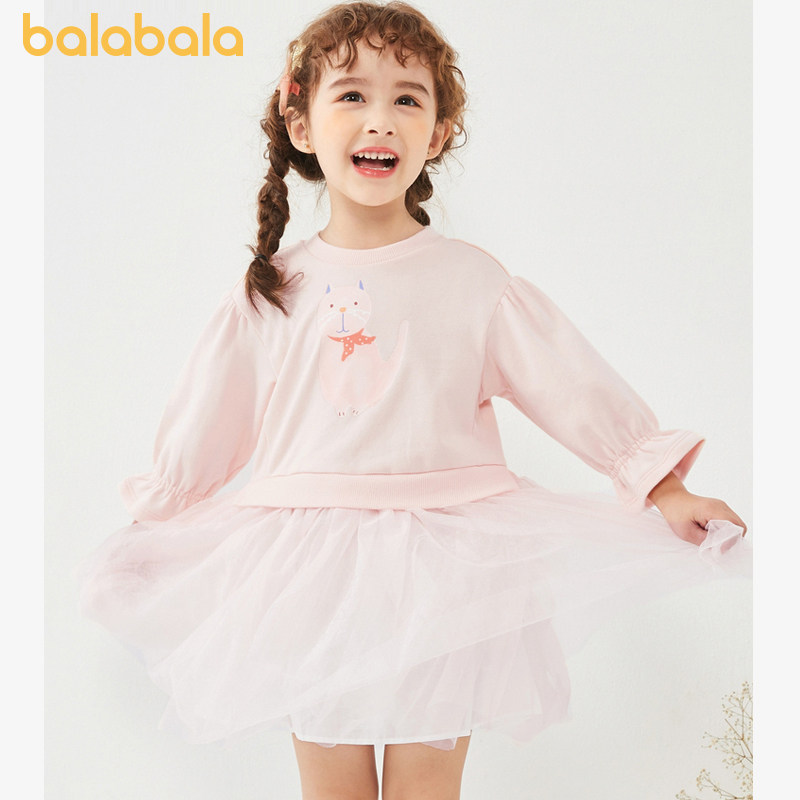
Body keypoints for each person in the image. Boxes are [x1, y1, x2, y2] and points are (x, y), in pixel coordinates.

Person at [79, 2, 751, 798]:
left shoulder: (473, 283)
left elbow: (571, 386)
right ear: (300, 123)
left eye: (407, 98)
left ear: (437, 134)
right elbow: (206, 423)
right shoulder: (272, 290)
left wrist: (665, 489)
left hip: (447, 574)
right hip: (310, 578)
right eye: (351, 94)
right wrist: (156, 528)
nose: (381, 119)